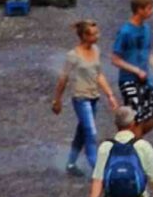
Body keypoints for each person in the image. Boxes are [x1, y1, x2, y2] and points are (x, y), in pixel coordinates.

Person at [51, 17, 118, 177]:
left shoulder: (96, 51)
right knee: (91, 132)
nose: (97, 36)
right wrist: (57, 99)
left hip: (93, 97)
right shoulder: (73, 55)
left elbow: (98, 74)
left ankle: (71, 162)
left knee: (82, 132)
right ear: (84, 36)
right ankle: (97, 168)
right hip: (81, 98)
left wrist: (110, 95)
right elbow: (63, 78)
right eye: (93, 34)